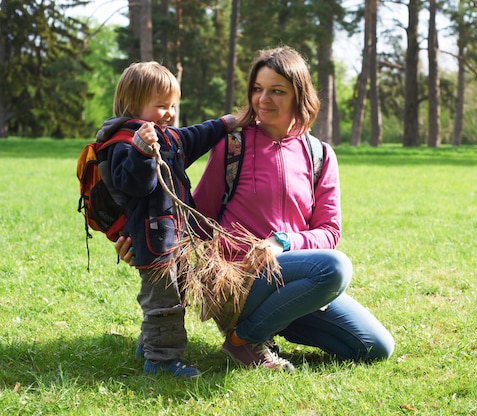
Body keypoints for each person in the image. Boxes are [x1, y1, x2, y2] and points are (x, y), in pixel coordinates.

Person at [117, 46, 394, 371]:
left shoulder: (320, 154)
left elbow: (329, 232)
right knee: (335, 268)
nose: (264, 99)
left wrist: (283, 242)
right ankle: (245, 341)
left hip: (294, 280)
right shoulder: (233, 145)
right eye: (258, 89)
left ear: (299, 96)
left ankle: (271, 322)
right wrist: (139, 239)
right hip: (239, 280)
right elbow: (196, 220)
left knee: (375, 346)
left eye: (277, 91)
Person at [102, 61, 237, 377]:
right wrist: (142, 153)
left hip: (177, 237)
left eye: (173, 105)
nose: (170, 112)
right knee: (164, 303)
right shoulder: (125, 141)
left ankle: (147, 345)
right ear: (133, 105)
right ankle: (161, 361)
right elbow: (134, 185)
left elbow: (196, 135)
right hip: (152, 240)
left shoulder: (170, 137)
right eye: (161, 106)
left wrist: (226, 123)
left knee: (177, 293)